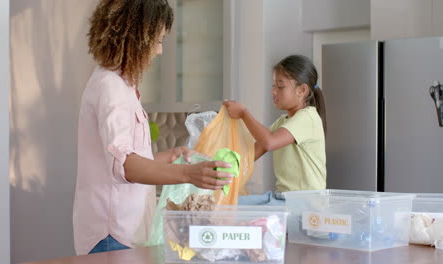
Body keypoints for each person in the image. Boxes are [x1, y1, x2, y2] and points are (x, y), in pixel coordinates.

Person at [73, 0, 233, 255]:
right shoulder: (110, 87)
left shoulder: (122, 87)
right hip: (111, 233)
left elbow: (123, 160)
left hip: (126, 230)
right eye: (158, 41)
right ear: (137, 39)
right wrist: (189, 174)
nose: (159, 51)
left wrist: (165, 159)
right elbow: (125, 165)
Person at [223, 55, 326, 205]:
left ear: (302, 90)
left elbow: (269, 142)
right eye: (273, 86)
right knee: (231, 205)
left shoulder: (308, 117)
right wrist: (218, 168)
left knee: (234, 210)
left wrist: (244, 114)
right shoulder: (282, 123)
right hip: (284, 199)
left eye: (280, 86)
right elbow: (250, 155)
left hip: (305, 204)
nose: (273, 91)